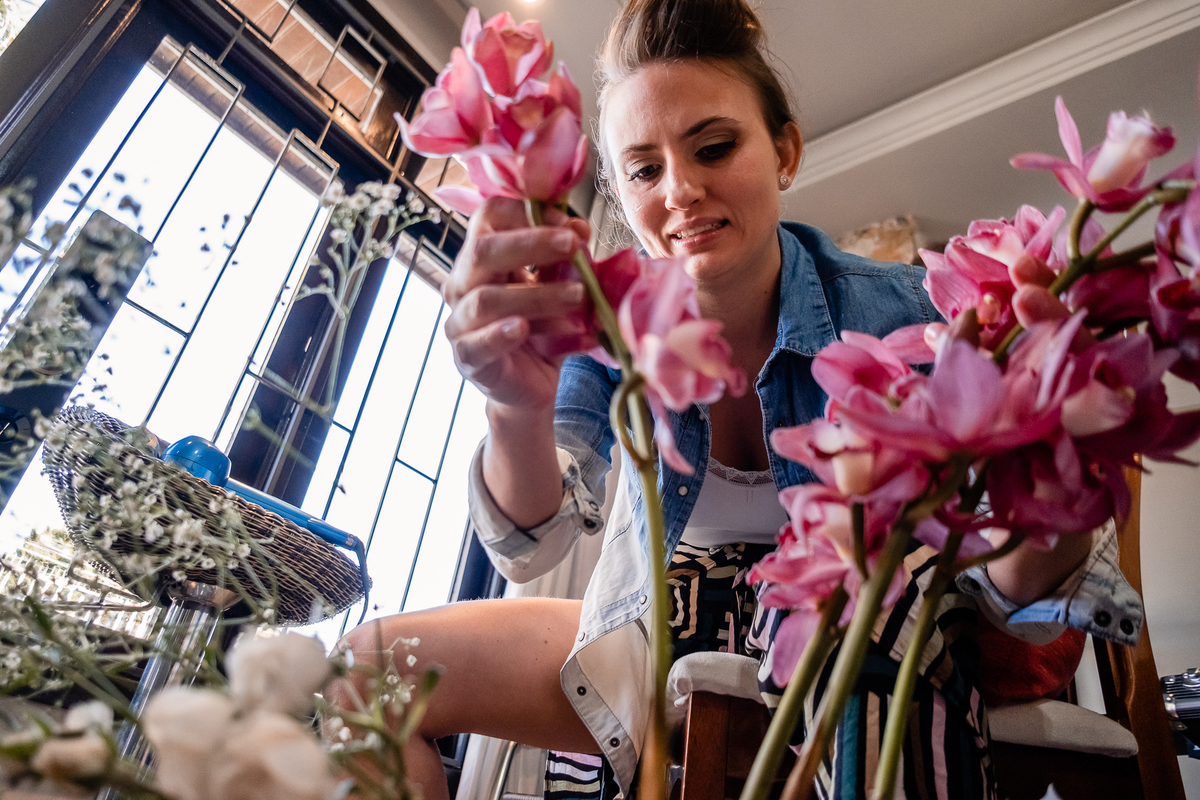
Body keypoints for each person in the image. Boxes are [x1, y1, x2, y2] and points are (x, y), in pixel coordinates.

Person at [337, 1, 1143, 798]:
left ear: (785, 151)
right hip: (663, 618)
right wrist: (511, 406)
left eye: (714, 147)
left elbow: (1017, 595)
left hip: (866, 623)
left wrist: (1057, 465)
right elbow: (530, 544)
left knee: (865, 601)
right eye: (644, 170)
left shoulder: (918, 308)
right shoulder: (608, 320)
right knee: (362, 676)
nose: (680, 191)